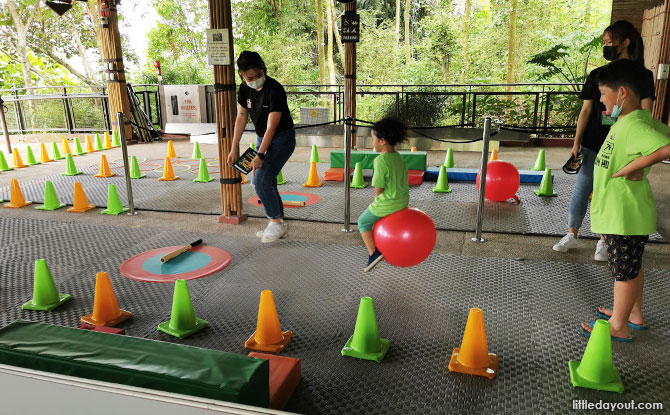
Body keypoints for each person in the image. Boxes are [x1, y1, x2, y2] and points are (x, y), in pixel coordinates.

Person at [579, 59, 670, 342]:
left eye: (603, 95)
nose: (600, 101)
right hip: (622, 212)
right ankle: (633, 314)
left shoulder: (635, 126)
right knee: (631, 267)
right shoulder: (630, 121)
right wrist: (641, 160)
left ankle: (618, 326)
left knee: (623, 273)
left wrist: (633, 166)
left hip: (624, 215)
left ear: (621, 93)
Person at [553, 20, 656, 259]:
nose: (606, 47)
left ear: (625, 42)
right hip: (592, 142)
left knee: (608, 192)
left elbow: (645, 114)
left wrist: (641, 153)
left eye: (609, 42)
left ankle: (603, 240)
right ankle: (572, 233)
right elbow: (586, 111)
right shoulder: (598, 75)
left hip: (622, 145)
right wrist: (576, 142)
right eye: (604, 43)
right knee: (583, 187)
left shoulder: (642, 76)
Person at [227, 51, 296, 243]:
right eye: (250, 77)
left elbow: (272, 126)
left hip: (282, 138)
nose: (255, 80)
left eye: (258, 76)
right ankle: (278, 222)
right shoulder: (243, 90)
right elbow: (241, 118)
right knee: (266, 180)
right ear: (241, 74)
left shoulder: (274, 89)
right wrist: (234, 148)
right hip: (261, 137)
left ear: (263, 71)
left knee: (260, 182)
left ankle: (276, 222)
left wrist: (260, 154)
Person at [358, 117, 410, 272]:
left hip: (388, 202)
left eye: (373, 139)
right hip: (403, 200)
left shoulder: (381, 160)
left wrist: (377, 199)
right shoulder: (399, 157)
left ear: (382, 141)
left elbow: (379, 187)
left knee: (363, 222)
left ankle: (373, 253)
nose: (372, 142)